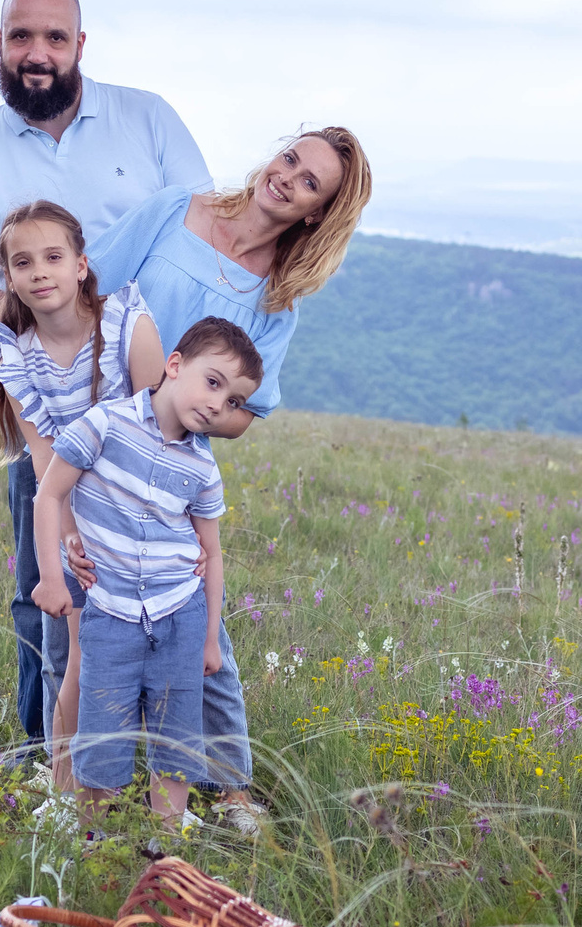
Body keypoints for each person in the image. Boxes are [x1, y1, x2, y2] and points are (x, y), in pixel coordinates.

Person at [0, 0, 211, 755]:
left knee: (170, 589)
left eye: (55, 38)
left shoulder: (148, 120)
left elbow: (199, 247)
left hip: (153, 411)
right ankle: (48, 756)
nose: (37, 53)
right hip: (47, 414)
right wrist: (60, 348)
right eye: (21, 36)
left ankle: (181, 767)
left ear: (81, 46)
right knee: (47, 588)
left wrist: (173, 389)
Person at [74, 128, 373, 826]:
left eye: (308, 184)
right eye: (291, 158)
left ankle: (229, 786)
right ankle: (76, 775)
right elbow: (90, 291)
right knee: (82, 606)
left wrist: (195, 405)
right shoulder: (179, 210)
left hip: (178, 468)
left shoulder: (276, 301)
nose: (287, 177)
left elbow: (246, 414)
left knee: (196, 622)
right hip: (97, 437)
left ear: (315, 214)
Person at [30, 318, 262, 833]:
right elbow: (48, 494)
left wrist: (209, 640)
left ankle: (164, 847)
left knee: (175, 737)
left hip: (179, 615)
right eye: (213, 382)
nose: (217, 404)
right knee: (102, 735)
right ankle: (95, 846)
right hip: (109, 613)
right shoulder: (105, 424)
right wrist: (51, 575)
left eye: (232, 401)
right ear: (174, 365)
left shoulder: (202, 467)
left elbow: (212, 552)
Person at [0, 200, 164, 795]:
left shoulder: (126, 324)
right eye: (23, 262)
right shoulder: (17, 354)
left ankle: (161, 788)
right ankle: (67, 787)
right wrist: (68, 539)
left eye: (54, 257)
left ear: (82, 265)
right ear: (7, 277)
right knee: (70, 654)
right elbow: (42, 460)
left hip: (143, 509)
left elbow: (163, 433)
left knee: (155, 651)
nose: (40, 272)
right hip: (71, 512)